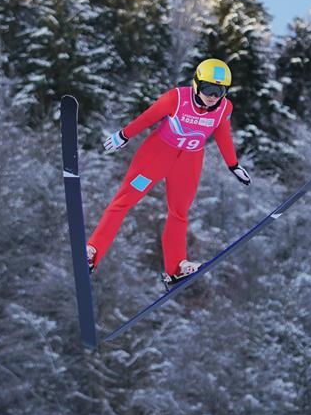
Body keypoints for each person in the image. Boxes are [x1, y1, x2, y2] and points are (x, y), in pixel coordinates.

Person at [86, 58, 251, 284]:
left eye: (219, 90)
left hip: (189, 163)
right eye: (208, 88)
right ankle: (92, 252)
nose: (213, 95)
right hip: (156, 157)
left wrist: (233, 165)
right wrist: (123, 135)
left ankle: (175, 269)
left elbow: (223, 135)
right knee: (123, 202)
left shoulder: (224, 108)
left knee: (179, 213)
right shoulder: (176, 98)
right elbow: (148, 117)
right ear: (196, 84)